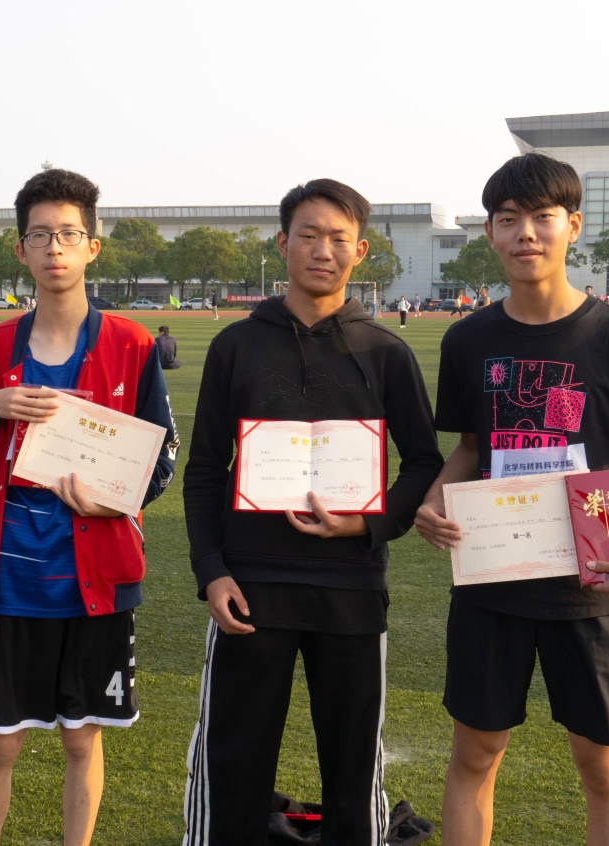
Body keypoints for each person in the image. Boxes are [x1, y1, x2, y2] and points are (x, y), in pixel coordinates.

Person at [413, 152, 609, 846]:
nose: (525, 233)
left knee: (602, 767)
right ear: (489, 233)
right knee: (474, 757)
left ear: (572, 226)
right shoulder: (467, 340)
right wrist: (433, 499)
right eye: (507, 219)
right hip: (492, 581)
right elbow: (471, 447)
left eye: (542, 217)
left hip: (589, 586)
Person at [181, 178, 444, 846]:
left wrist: (366, 523)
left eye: (337, 238)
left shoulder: (385, 351)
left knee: (354, 771)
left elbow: (423, 463)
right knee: (234, 766)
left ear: (360, 250)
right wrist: (211, 572)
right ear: (282, 243)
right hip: (251, 586)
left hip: (351, 586)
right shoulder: (236, 346)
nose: (322, 250)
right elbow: (205, 468)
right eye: (308, 235)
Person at [0, 168, 177, 846]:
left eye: (69, 234)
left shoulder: (132, 346)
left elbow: (161, 456)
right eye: (40, 235)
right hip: (9, 580)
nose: (54, 248)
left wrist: (112, 501)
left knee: (81, 737)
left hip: (95, 577)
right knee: (2, 742)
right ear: (20, 249)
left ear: (92, 247)